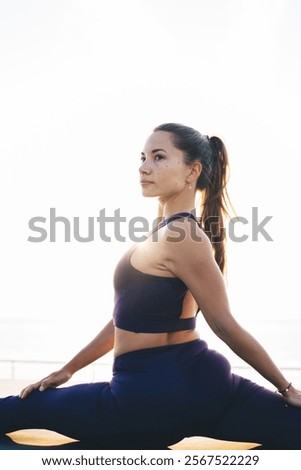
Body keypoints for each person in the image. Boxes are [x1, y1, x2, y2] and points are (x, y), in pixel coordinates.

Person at [1, 123, 301, 450]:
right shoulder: (169, 234)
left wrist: (286, 387)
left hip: (144, 399)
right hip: (206, 387)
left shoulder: (182, 236)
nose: (144, 167)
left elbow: (224, 324)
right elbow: (125, 320)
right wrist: (69, 369)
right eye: (143, 157)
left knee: (13, 413)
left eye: (159, 157)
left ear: (192, 172)